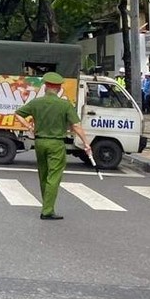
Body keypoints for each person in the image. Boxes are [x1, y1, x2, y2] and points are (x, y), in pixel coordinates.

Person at [15, 72, 93, 220]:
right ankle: (47, 210)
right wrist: (86, 143)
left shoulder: (36, 103)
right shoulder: (64, 104)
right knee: (54, 176)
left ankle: (46, 204)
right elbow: (76, 126)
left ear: (45, 87)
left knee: (43, 174)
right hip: (56, 143)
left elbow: (18, 114)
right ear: (58, 88)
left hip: (39, 142)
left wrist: (28, 127)